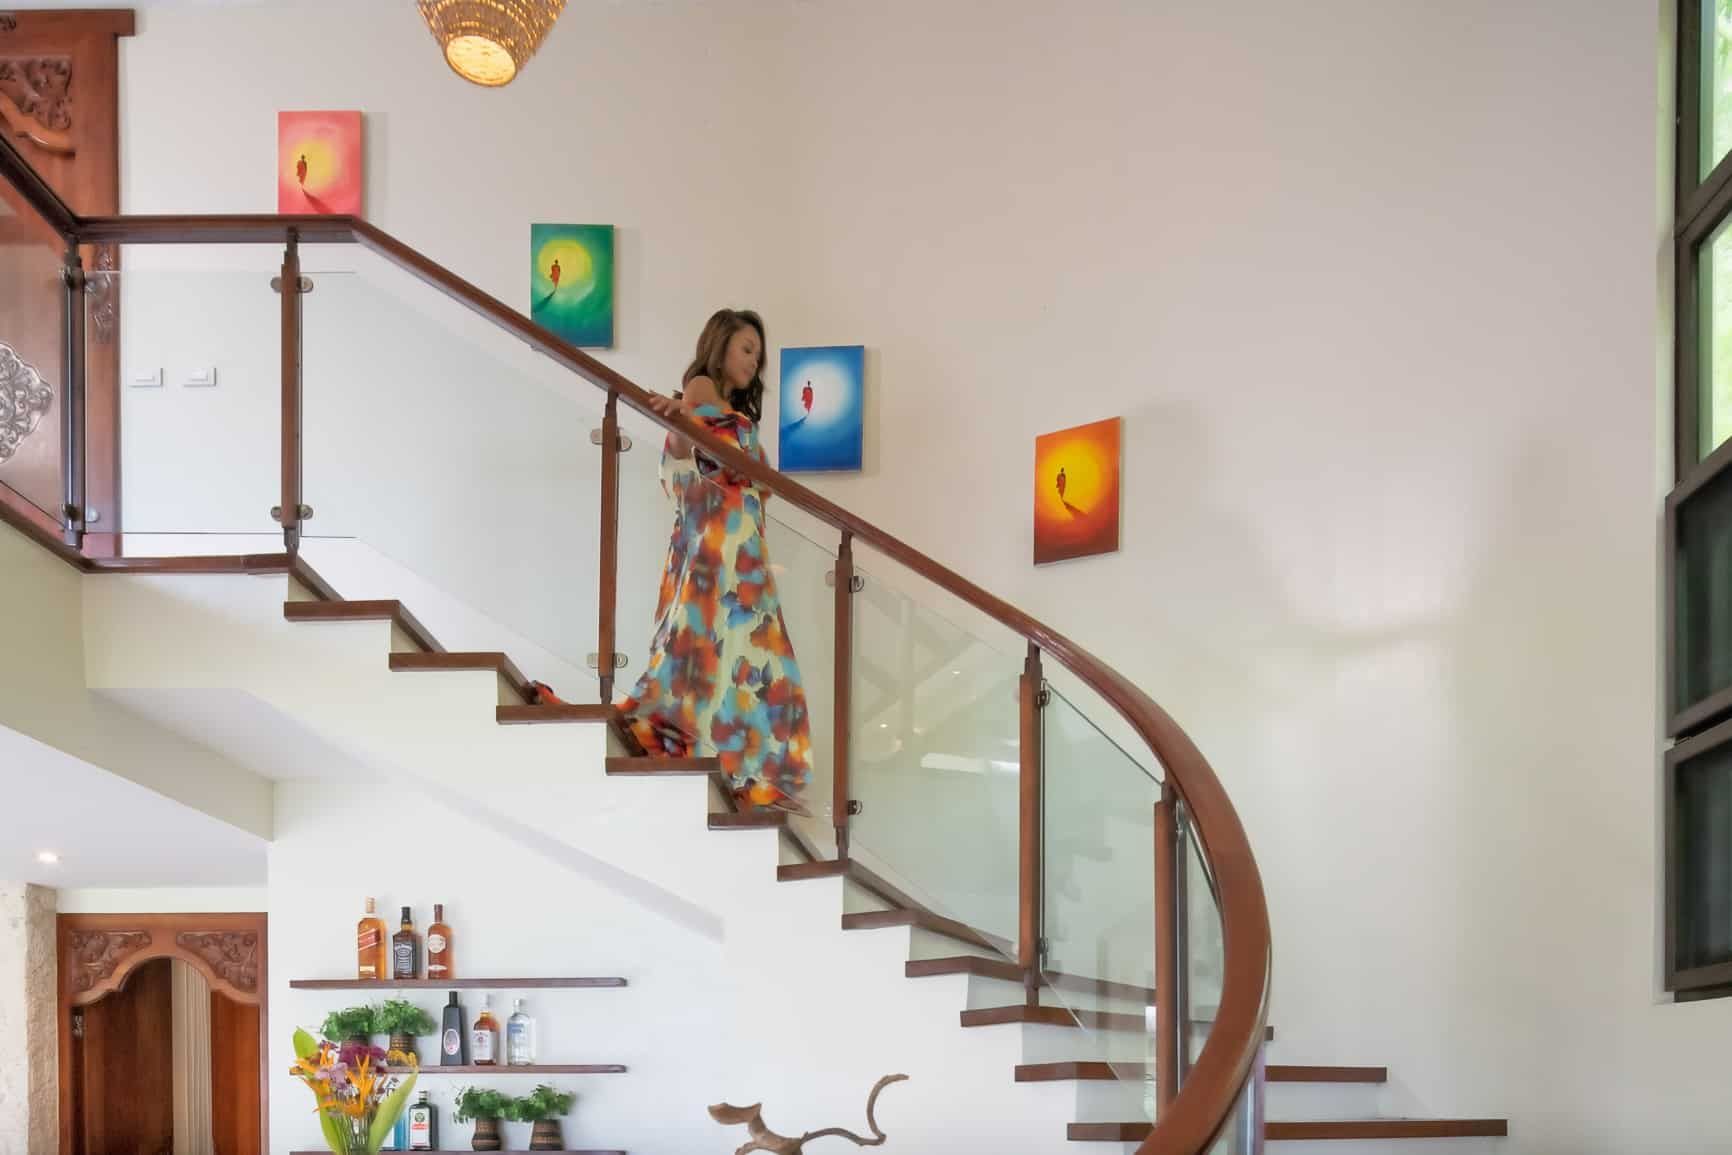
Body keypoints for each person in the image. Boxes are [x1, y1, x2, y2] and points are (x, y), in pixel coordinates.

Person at [618, 309, 813, 814]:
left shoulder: (727, 406)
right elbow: (682, 446)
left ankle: (744, 776)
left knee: (749, 660)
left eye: (759, 354)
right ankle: (744, 773)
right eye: (747, 348)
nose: (755, 361)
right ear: (721, 343)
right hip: (717, 550)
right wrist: (679, 419)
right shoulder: (702, 386)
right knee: (718, 653)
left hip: (740, 552)